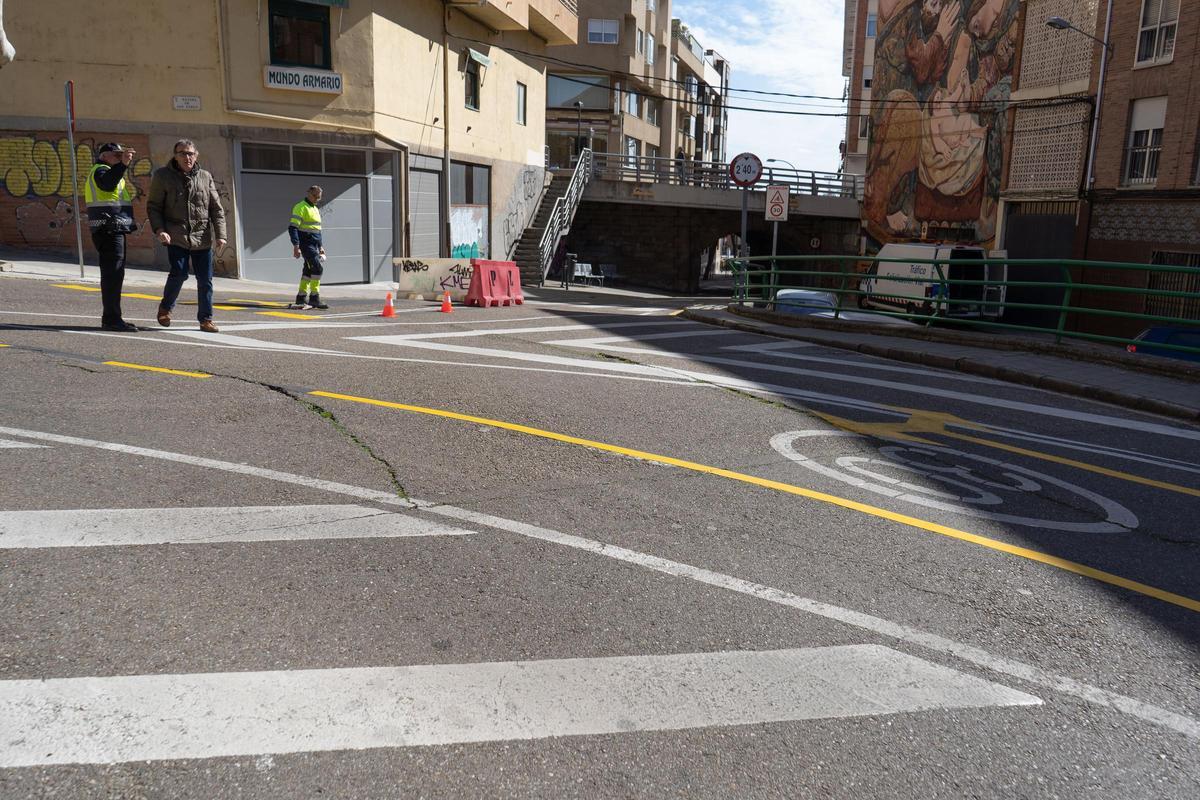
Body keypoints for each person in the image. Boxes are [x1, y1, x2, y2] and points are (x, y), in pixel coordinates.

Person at [147, 139, 227, 333]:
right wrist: (160, 230)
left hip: (202, 236)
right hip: (176, 235)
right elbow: (154, 207)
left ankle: (206, 319)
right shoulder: (162, 176)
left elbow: (216, 209)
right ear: (175, 156)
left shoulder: (205, 176)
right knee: (179, 273)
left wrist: (221, 235)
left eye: (190, 153)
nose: (187, 157)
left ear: (196, 155)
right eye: (182, 153)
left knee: (205, 280)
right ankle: (165, 308)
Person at [85, 142, 138, 331]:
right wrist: (122, 165)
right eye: (116, 155)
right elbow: (107, 185)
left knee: (115, 275)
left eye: (120, 156)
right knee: (112, 275)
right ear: (105, 155)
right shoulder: (101, 170)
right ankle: (111, 319)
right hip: (107, 228)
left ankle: (113, 317)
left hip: (111, 228)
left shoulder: (106, 170)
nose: (119, 158)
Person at [288, 185, 328, 310]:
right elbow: (293, 228)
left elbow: (317, 230)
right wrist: (296, 246)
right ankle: (314, 298)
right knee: (317, 268)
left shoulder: (315, 208)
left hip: (314, 245)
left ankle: (301, 297)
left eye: (319, 197)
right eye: (315, 196)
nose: (317, 199)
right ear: (309, 194)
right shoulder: (300, 207)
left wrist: (321, 246)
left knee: (308, 271)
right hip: (306, 244)